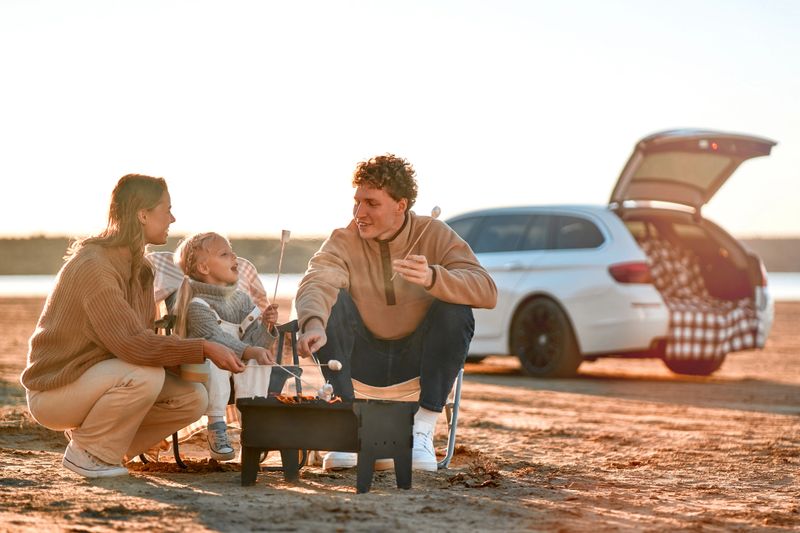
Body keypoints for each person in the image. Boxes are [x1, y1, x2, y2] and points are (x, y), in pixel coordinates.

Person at [20, 174, 245, 478]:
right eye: (166, 209)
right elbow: (132, 344)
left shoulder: (142, 268)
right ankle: (89, 454)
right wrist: (203, 347)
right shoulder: (94, 266)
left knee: (193, 397)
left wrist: (190, 358)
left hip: (98, 379)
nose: (173, 218)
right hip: (55, 389)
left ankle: (97, 442)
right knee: (145, 376)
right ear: (142, 214)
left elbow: (141, 339)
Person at [295, 154, 497, 472]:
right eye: (357, 201)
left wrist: (434, 278)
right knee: (330, 304)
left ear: (400, 206)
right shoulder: (343, 240)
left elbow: (486, 289)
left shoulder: (435, 234)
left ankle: (422, 430)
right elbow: (317, 280)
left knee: (455, 307)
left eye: (371, 203)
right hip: (360, 365)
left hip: (417, 368)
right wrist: (313, 323)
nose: (359, 212)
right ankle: (346, 425)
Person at [171, 232, 279, 460]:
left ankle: (252, 425)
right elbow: (215, 338)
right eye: (225, 254)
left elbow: (253, 342)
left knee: (258, 363)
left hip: (238, 362)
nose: (235, 257)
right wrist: (250, 350)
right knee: (214, 358)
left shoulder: (241, 299)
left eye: (232, 251)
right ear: (204, 268)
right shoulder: (196, 305)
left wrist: (266, 328)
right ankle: (217, 425)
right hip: (206, 366)